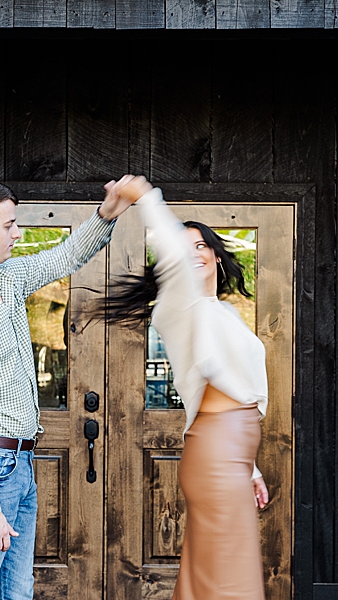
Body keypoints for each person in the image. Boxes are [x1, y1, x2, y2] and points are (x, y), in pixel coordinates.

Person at [0, 176, 138, 600]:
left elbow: (65, 256)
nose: (18, 232)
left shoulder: (8, 278)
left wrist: (107, 212)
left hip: (17, 464)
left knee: (15, 593)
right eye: (9, 224)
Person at [101, 177, 270, 600]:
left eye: (201, 246)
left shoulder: (223, 313)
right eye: (183, 245)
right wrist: (145, 198)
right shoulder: (181, 305)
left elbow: (243, 388)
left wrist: (250, 467)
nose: (191, 253)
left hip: (228, 453)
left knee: (209, 578)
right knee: (229, 581)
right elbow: (175, 259)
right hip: (216, 453)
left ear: (215, 255)